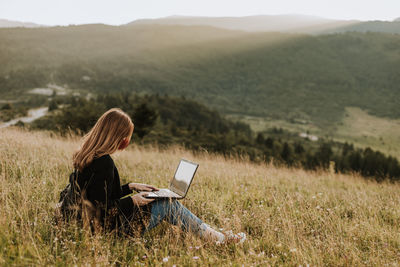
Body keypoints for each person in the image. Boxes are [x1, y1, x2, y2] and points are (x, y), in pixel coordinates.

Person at [69, 107, 246, 244]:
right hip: (108, 231)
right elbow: (102, 208)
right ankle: (220, 240)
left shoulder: (87, 155)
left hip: (93, 226)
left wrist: (130, 187)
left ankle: (216, 235)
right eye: (126, 137)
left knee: (164, 201)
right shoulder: (104, 162)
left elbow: (97, 196)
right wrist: (133, 200)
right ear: (117, 136)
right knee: (168, 205)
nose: (126, 142)